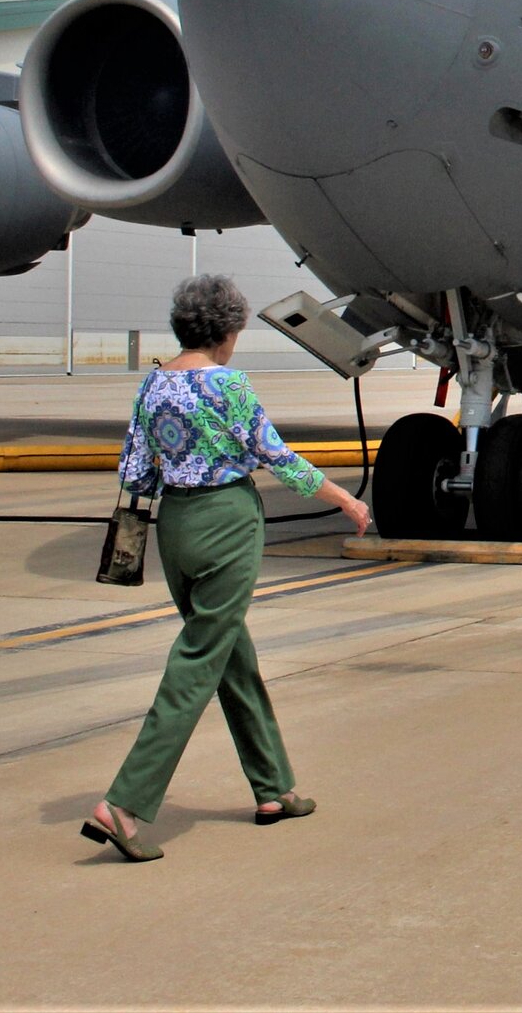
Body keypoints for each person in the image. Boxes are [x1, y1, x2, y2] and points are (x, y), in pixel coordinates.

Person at [81, 274, 372, 862]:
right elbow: (275, 455)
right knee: (196, 661)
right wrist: (343, 497)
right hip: (228, 524)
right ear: (226, 332)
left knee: (228, 652)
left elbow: (134, 470)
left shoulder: (154, 384)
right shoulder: (229, 385)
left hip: (177, 529)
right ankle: (126, 803)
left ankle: (273, 788)